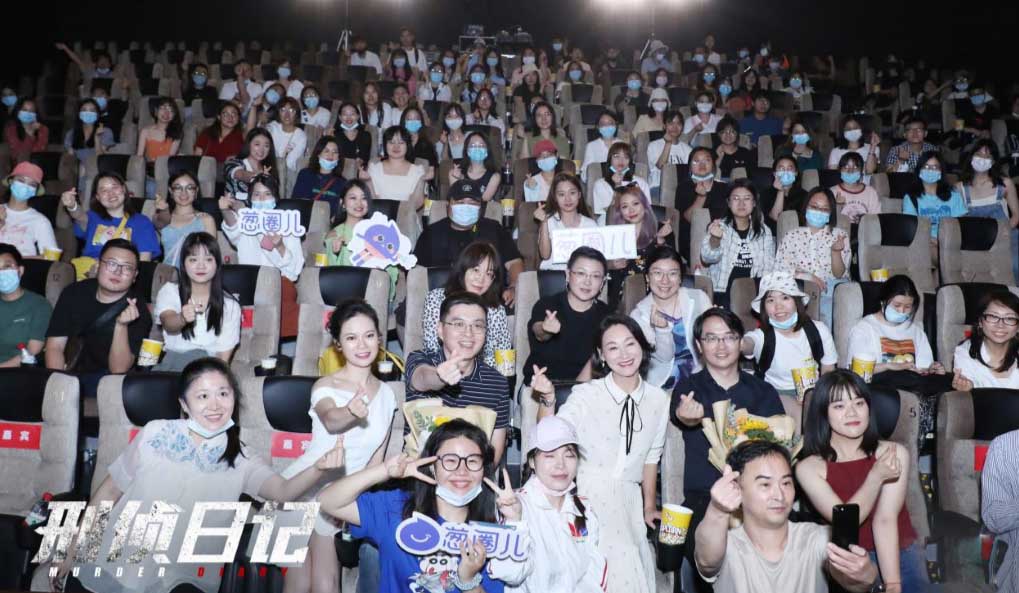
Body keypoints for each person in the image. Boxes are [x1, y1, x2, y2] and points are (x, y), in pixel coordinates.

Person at [51, 357, 347, 593]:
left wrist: (318, 468)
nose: (215, 405)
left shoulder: (241, 457)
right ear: (184, 403)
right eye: (203, 396)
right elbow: (108, 493)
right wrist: (72, 549)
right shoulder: (155, 433)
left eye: (223, 394)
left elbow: (284, 492)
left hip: (184, 575)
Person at [533, 314, 669, 593]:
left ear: (642, 346)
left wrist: (648, 506)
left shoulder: (659, 399)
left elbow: (651, 459)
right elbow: (550, 435)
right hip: (587, 496)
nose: (624, 355)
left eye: (630, 344)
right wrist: (547, 399)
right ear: (602, 356)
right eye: (613, 348)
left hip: (629, 501)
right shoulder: (586, 394)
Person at [318, 419, 524, 593]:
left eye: (472, 461)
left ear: (483, 470)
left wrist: (469, 580)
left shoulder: (492, 534)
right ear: (433, 467)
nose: (462, 471)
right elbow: (329, 501)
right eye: (450, 460)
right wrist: (384, 471)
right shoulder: (396, 509)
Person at [284, 300, 397, 593]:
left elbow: (375, 462)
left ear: (379, 338)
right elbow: (332, 420)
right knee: (304, 580)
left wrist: (352, 501)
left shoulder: (387, 395)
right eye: (351, 337)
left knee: (326, 582)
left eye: (369, 335)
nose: (362, 345)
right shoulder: (325, 385)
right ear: (338, 344)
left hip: (343, 494)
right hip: (304, 485)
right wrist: (350, 412)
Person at [671, 307, 784, 592]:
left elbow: (779, 448)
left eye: (729, 337)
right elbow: (682, 415)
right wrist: (689, 416)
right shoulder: (688, 390)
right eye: (711, 338)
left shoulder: (763, 391)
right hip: (705, 498)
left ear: (740, 342)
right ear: (699, 346)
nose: (721, 345)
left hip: (757, 497)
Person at [797, 370, 927, 593]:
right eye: (839, 406)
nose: (852, 413)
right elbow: (846, 522)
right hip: (848, 559)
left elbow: (885, 519)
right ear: (823, 413)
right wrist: (875, 477)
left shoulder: (893, 453)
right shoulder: (809, 468)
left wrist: (892, 585)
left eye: (859, 403)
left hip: (897, 552)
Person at [695, 441, 880, 593]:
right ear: (737, 489)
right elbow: (707, 561)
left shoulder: (815, 538)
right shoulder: (727, 545)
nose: (779, 495)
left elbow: (850, 578)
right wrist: (718, 510)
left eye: (786, 483)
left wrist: (865, 575)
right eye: (765, 485)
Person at [506, 416, 608, 593]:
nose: (561, 465)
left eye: (569, 455)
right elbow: (511, 574)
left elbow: (593, 572)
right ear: (532, 461)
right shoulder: (516, 507)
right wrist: (514, 522)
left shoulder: (583, 510)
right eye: (550, 455)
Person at [406, 292, 511, 463]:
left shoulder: (497, 382)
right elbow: (422, 378)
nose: (468, 333)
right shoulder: (420, 359)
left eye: (477, 326)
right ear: (440, 330)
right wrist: (440, 376)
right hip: (421, 472)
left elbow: (493, 455)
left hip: (472, 475)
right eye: (459, 324)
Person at [44, 239, 153, 398]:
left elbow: (118, 370)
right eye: (111, 264)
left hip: (107, 379)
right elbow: (55, 347)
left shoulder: (138, 309)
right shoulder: (74, 292)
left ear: (135, 276)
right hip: (68, 371)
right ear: (98, 265)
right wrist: (58, 385)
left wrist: (121, 326)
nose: (118, 272)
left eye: (127, 268)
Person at [741, 271, 838, 412]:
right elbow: (748, 344)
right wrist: (736, 340)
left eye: (785, 298)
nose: (778, 306)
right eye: (770, 300)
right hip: (775, 395)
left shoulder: (818, 330)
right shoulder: (762, 336)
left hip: (813, 393)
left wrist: (817, 397)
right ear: (764, 308)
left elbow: (828, 371)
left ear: (796, 302)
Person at [523, 246, 612, 385]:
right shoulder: (547, 304)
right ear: (568, 274)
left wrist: (576, 394)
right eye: (581, 273)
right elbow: (539, 333)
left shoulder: (607, 315)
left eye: (595, 276)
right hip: (542, 385)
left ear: (603, 282)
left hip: (586, 388)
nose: (587, 282)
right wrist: (546, 328)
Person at [154, 231, 239, 370]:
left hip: (208, 368)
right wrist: (182, 318)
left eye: (208, 259)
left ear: (217, 264)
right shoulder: (170, 291)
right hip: (174, 364)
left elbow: (223, 357)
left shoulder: (230, 305)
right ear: (183, 264)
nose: (201, 266)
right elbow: (167, 322)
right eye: (193, 260)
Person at [630, 245, 712, 388]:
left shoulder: (699, 298)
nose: (665, 281)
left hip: (702, 377)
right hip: (663, 384)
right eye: (657, 273)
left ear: (680, 278)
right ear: (647, 277)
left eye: (672, 273)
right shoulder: (639, 315)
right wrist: (662, 331)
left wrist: (719, 324)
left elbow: (712, 344)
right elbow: (665, 358)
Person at [421, 241, 512, 369]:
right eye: (476, 270)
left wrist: (499, 379)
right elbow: (432, 349)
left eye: (489, 274)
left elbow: (505, 359)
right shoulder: (436, 299)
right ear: (463, 269)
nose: (481, 279)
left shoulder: (496, 310)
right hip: (446, 373)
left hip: (487, 377)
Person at [775, 187, 850, 326]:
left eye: (824, 209)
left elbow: (840, 275)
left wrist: (835, 252)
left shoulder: (839, 235)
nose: (818, 211)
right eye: (814, 207)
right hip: (801, 289)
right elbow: (780, 270)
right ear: (806, 208)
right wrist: (809, 278)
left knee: (831, 311)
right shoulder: (792, 235)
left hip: (831, 291)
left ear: (830, 213)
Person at [700, 180, 776, 306]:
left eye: (747, 198)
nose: (741, 203)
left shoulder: (764, 231)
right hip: (722, 291)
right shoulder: (719, 226)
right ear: (729, 203)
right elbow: (707, 258)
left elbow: (768, 267)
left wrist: (762, 295)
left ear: (754, 203)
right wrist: (715, 238)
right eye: (735, 198)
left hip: (752, 292)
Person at [846, 275, 939, 375]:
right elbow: (856, 371)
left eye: (907, 307)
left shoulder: (916, 331)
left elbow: (923, 368)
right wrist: (888, 366)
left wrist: (931, 370)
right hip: (879, 383)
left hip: (913, 383)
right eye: (897, 305)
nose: (902, 311)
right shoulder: (864, 328)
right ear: (883, 302)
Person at [219, 173, 304, 282]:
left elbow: (295, 271)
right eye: (257, 194)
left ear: (275, 198)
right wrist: (225, 210)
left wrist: (280, 246)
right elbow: (233, 228)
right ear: (250, 198)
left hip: (279, 282)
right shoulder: (246, 222)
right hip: (249, 281)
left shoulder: (287, 224)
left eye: (267, 194)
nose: (262, 199)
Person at [956, 140, 1019, 284]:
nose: (982, 159)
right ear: (971, 157)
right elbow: (958, 219)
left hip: (1005, 236)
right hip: (975, 240)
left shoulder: (1005, 184)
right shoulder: (959, 188)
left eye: (987, 156)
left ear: (993, 161)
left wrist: (1004, 232)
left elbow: (1016, 215)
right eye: (979, 154)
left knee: (1015, 264)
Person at [63, 173, 161, 264]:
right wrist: (72, 206)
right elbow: (79, 216)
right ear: (97, 197)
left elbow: (144, 261)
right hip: (88, 272)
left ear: (124, 189)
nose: (111, 193)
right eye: (104, 190)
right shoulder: (92, 217)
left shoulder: (142, 222)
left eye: (114, 187)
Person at [323, 181, 398, 298]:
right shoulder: (334, 235)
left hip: (375, 292)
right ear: (342, 203)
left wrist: (382, 271)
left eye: (364, 198)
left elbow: (392, 271)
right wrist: (335, 253)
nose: (359, 203)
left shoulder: (380, 233)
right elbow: (330, 275)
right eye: (353, 198)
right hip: (345, 294)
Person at [605, 184, 673, 306]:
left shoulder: (661, 229)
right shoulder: (615, 233)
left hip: (655, 290)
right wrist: (612, 265)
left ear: (645, 205)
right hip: (622, 292)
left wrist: (660, 240)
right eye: (625, 206)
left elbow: (672, 264)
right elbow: (602, 266)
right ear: (620, 211)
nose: (631, 210)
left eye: (635, 204)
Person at [952, 289, 1019, 390]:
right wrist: (967, 390)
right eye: (993, 316)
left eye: (1009, 318)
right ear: (980, 322)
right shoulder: (964, 353)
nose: (1000, 325)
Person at [902, 151, 966, 251]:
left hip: (951, 242)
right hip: (924, 243)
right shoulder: (911, 198)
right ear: (919, 170)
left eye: (935, 167)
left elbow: (960, 225)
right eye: (926, 167)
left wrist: (943, 242)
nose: (930, 170)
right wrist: (932, 241)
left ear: (941, 172)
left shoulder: (954, 195)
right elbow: (912, 228)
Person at [0, 243, 51, 367]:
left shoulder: (39, 305)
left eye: (7, 266)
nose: (1, 273)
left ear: (20, 270)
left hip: (17, 371)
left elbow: (32, 351)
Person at [153, 171, 217, 267]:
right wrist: (164, 210)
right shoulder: (162, 216)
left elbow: (211, 255)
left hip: (196, 272)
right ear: (170, 191)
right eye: (178, 188)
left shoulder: (206, 220)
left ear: (196, 191)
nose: (184, 193)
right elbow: (159, 222)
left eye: (189, 188)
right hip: (168, 273)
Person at [536, 173, 598, 271]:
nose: (567, 199)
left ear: (579, 194)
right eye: (561, 194)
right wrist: (544, 223)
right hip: (553, 274)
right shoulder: (549, 222)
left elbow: (596, 259)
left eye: (572, 193)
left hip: (582, 275)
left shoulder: (591, 225)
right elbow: (545, 255)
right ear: (555, 198)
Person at [0, 162, 58, 258]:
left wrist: (17, 260)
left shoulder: (40, 221)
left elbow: (52, 257)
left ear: (35, 191)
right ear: (11, 181)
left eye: (32, 184)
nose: (25, 186)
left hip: (24, 266)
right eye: (21, 180)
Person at [361, 126, 426, 206]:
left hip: (407, 213)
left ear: (407, 145)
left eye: (401, 143)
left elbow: (418, 203)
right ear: (385, 145)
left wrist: (422, 181)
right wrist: (367, 181)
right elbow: (371, 201)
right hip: (379, 213)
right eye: (391, 142)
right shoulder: (374, 169)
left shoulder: (417, 171)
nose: (396, 146)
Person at [292, 136, 348, 218]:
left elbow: (339, 211)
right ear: (318, 154)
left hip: (327, 223)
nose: (330, 155)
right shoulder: (305, 175)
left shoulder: (342, 183)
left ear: (339, 157)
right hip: (305, 220)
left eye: (335, 152)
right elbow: (296, 201)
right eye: (326, 151)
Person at [136, 96, 182, 197]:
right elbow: (139, 157)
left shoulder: (176, 134)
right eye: (163, 108)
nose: (166, 113)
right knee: (151, 188)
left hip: (167, 173)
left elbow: (169, 159)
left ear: (174, 116)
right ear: (156, 111)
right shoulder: (145, 131)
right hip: (150, 173)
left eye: (170, 110)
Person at [592, 142, 651, 218]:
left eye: (626, 157)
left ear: (630, 161)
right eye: (616, 156)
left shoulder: (641, 183)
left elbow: (647, 210)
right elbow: (608, 212)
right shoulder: (600, 184)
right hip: (610, 221)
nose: (621, 160)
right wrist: (618, 186)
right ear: (610, 160)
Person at [223, 127, 279, 201]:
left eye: (266, 146)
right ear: (248, 145)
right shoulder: (233, 163)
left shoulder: (269, 170)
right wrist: (259, 177)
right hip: (236, 207)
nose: (261, 150)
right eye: (257, 144)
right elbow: (241, 174)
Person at [647, 109, 692, 199]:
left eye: (678, 123)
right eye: (671, 123)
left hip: (680, 189)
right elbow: (661, 165)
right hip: (658, 187)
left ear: (682, 127)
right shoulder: (653, 145)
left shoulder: (688, 149)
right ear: (664, 126)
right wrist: (668, 143)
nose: (675, 127)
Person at [448, 131, 501, 203]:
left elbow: (483, 201)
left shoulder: (495, 176)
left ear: (487, 151)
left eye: (481, 145)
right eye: (473, 145)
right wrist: (458, 180)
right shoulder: (455, 173)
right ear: (467, 151)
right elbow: (456, 199)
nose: (477, 148)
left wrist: (462, 179)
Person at [831, 152, 881, 223]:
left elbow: (876, 220)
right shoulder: (832, 192)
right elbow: (829, 221)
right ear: (840, 170)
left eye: (855, 167)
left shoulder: (871, 192)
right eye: (846, 167)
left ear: (861, 171)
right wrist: (837, 206)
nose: (850, 171)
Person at [828, 115, 881, 182]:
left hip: (866, 186)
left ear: (861, 129)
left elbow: (869, 171)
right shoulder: (835, 151)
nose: (852, 131)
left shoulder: (874, 148)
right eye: (848, 129)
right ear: (843, 132)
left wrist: (873, 147)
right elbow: (833, 176)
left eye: (855, 128)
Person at [579, 109, 625, 182]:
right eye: (603, 124)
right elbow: (585, 173)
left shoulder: (622, 144)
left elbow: (628, 168)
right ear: (598, 127)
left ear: (616, 125)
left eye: (610, 123)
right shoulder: (591, 146)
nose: (606, 126)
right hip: (599, 183)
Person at [64, 98, 114, 164]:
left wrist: (97, 139)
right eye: (84, 110)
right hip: (79, 168)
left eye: (92, 110)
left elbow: (101, 160)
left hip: (97, 167)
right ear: (79, 114)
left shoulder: (106, 132)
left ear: (98, 114)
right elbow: (71, 159)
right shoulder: (71, 134)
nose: (88, 113)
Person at [264, 96, 307, 172]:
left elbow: (290, 162)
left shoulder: (301, 136)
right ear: (278, 112)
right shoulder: (273, 127)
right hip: (268, 167)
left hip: (287, 172)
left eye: (291, 110)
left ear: (296, 114)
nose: (287, 114)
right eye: (283, 110)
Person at [763, 155, 807, 225]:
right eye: (781, 168)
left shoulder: (805, 195)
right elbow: (775, 217)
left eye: (789, 169)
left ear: (796, 173)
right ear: (774, 173)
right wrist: (781, 191)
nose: (785, 172)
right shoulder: (765, 194)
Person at [4, 98, 48, 166]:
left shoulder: (42, 129)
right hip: (15, 166)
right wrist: (30, 134)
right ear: (18, 111)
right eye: (24, 110)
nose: (28, 113)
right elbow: (17, 153)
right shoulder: (10, 128)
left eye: (31, 111)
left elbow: (39, 150)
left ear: (36, 114)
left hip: (36, 166)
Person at [331, 101, 373, 167]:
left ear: (358, 116)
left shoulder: (366, 136)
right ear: (340, 117)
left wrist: (361, 161)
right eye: (345, 114)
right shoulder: (333, 135)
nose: (349, 117)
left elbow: (366, 158)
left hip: (359, 170)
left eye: (352, 114)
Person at [400, 107, 438, 178]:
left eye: (416, 119)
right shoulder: (398, 142)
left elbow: (431, 173)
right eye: (409, 119)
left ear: (421, 122)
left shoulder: (427, 144)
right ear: (404, 121)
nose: (413, 121)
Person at [522, 138, 562, 204]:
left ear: (556, 156)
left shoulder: (565, 180)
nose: (545, 158)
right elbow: (530, 207)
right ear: (537, 161)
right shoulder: (531, 182)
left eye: (549, 155)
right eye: (541, 156)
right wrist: (532, 191)